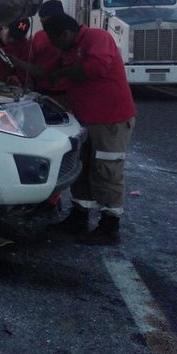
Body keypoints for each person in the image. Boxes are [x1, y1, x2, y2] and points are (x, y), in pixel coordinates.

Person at [43, 13, 136, 245]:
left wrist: (62, 73)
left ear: (64, 33)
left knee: (107, 171)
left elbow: (96, 68)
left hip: (109, 120)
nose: (55, 47)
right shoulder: (70, 49)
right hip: (85, 119)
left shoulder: (97, 38)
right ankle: (79, 216)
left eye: (54, 40)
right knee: (82, 168)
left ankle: (109, 226)